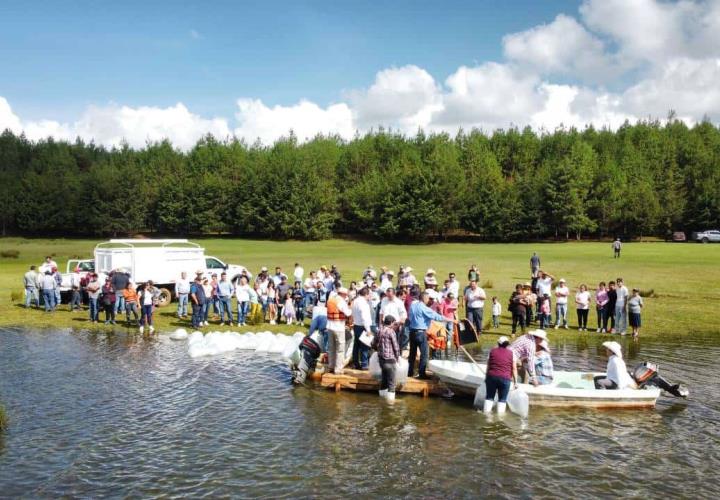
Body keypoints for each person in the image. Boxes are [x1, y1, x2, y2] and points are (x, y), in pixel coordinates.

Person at [408, 291, 447, 379]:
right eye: (428, 298)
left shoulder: (413, 306)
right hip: (421, 333)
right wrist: (450, 320)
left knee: (412, 354)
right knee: (424, 354)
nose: (429, 300)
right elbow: (437, 316)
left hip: (412, 332)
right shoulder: (424, 308)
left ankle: (409, 372)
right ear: (424, 298)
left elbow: (410, 317)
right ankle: (422, 374)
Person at [483, 336, 518, 414]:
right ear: (507, 344)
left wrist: (486, 378)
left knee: (489, 397)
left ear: (498, 343)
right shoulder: (512, 353)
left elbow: (488, 366)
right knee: (502, 399)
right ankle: (500, 418)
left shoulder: (492, 351)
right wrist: (515, 382)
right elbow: (514, 368)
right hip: (505, 379)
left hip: (492, 377)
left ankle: (486, 415)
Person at [372, 315, 401, 402]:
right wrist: (398, 357)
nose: (394, 325)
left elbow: (373, 343)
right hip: (390, 360)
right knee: (392, 383)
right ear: (391, 323)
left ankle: (382, 400)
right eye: (394, 323)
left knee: (384, 380)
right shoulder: (391, 332)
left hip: (381, 360)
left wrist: (377, 349)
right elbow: (395, 347)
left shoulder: (379, 330)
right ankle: (390, 404)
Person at [327, 287, 352, 374]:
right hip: (339, 327)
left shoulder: (331, 299)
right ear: (343, 294)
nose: (346, 296)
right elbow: (348, 313)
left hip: (330, 326)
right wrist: (350, 308)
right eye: (346, 295)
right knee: (340, 349)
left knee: (331, 348)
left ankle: (331, 366)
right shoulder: (341, 301)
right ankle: (338, 369)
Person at [351, 287, 374, 370]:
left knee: (356, 346)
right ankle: (364, 365)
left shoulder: (355, 301)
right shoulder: (363, 303)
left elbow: (353, 313)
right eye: (369, 295)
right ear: (366, 294)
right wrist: (368, 330)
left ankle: (355, 363)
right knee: (364, 346)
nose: (370, 296)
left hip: (356, 325)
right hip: (363, 326)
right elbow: (365, 317)